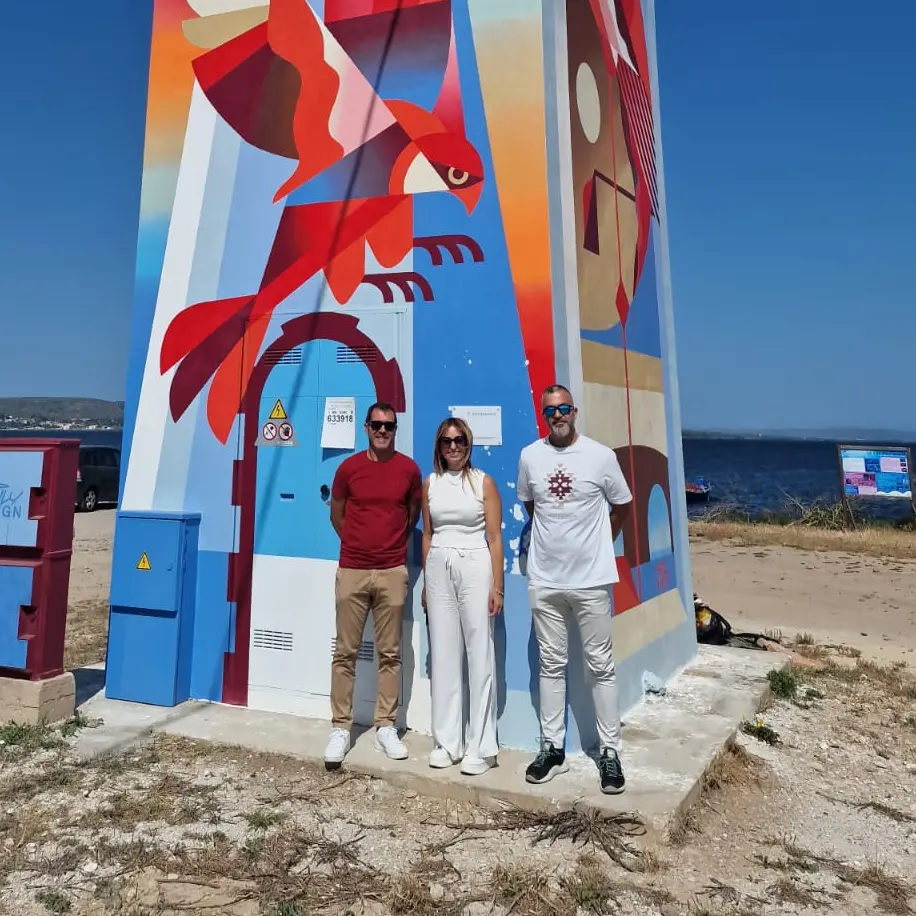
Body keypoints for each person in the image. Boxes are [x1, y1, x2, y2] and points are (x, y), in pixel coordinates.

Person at [517, 384, 633, 794]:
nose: (558, 416)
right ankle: (551, 748)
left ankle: (610, 752)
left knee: (600, 666)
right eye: (550, 410)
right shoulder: (530, 456)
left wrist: (601, 541)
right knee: (550, 665)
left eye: (564, 408)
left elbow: (622, 505)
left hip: (591, 581)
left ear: (575, 411)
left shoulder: (601, 457)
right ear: (543, 415)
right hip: (546, 579)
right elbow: (532, 505)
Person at [325, 402, 422, 769]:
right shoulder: (348, 469)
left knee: (390, 653)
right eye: (377, 425)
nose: (383, 431)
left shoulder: (409, 470)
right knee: (345, 652)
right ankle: (340, 728)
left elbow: (411, 514)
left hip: (392, 571)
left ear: (395, 429)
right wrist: (357, 544)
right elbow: (337, 514)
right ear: (365, 427)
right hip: (352, 569)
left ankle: (386, 725)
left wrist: (390, 547)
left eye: (389, 426)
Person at [421, 418, 504, 776]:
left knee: (479, 653)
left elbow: (494, 538)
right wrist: (427, 582)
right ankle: (447, 742)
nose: (453, 447)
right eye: (446, 441)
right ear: (439, 446)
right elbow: (428, 534)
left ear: (469, 444)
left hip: (475, 564)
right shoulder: (431, 483)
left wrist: (497, 587)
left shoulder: (483, 482)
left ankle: (481, 747)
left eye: (459, 440)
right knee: (443, 654)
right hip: (439, 565)